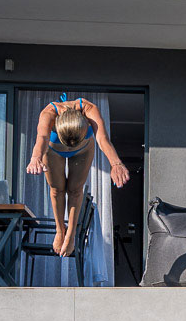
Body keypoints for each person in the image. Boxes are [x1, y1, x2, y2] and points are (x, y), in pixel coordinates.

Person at [26, 94, 131, 257]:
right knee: (57, 189)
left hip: (83, 150)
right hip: (54, 150)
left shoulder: (90, 110)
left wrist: (116, 163)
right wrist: (35, 157)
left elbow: (102, 139)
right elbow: (42, 138)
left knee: (75, 190)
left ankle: (71, 234)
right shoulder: (48, 114)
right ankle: (60, 230)